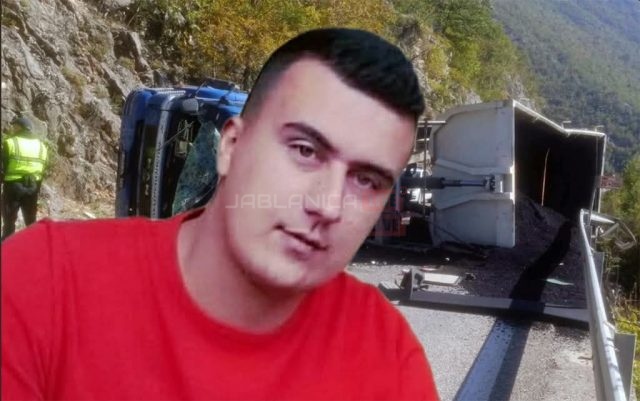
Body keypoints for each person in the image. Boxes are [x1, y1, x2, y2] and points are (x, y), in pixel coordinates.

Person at [1, 28, 440, 400]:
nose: (327, 205)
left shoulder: (388, 359)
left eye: (366, 180)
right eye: (305, 151)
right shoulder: (45, 281)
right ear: (230, 147)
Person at [1, 116, 48, 240]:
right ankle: (33, 244)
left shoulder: (11, 143)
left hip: (13, 186)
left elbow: (3, 167)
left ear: (19, 127)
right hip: (33, 186)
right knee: (31, 220)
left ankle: (7, 245)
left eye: (14, 126)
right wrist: (37, 188)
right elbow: (42, 169)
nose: (12, 129)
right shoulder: (41, 146)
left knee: (9, 220)